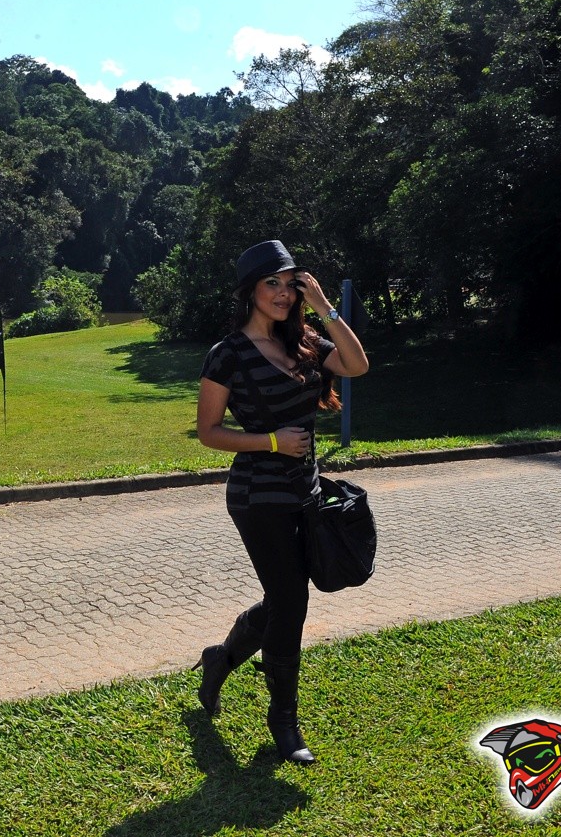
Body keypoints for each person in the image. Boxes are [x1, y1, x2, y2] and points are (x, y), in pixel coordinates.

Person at [193, 239, 369, 764]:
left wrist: (325, 306)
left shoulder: (306, 341)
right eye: (271, 283)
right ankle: (284, 722)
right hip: (258, 496)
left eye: (291, 284)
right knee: (290, 602)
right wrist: (271, 441)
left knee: (283, 597)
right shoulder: (227, 354)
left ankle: (220, 660)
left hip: (304, 491)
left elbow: (357, 365)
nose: (283, 293)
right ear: (250, 291)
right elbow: (208, 432)